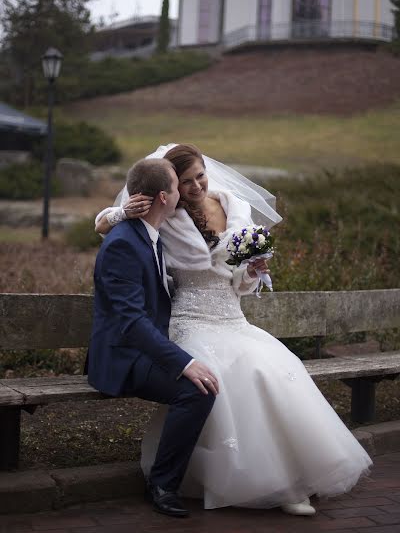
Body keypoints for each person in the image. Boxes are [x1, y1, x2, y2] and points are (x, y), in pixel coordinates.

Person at [95, 144, 372, 515]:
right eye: (186, 181)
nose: (196, 187)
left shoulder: (233, 207)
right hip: (190, 318)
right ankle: (255, 484)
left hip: (233, 319)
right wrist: (121, 211)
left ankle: (289, 481)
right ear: (170, 189)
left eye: (201, 176)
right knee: (226, 377)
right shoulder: (166, 217)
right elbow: (105, 227)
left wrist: (253, 273)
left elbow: (238, 282)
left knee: (274, 369)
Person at [87, 157, 219, 519]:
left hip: (144, 347)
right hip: (123, 357)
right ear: (164, 196)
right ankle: (163, 484)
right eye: (178, 186)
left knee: (206, 377)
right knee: (196, 391)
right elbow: (131, 323)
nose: (183, 193)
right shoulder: (123, 244)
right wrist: (184, 362)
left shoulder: (149, 236)